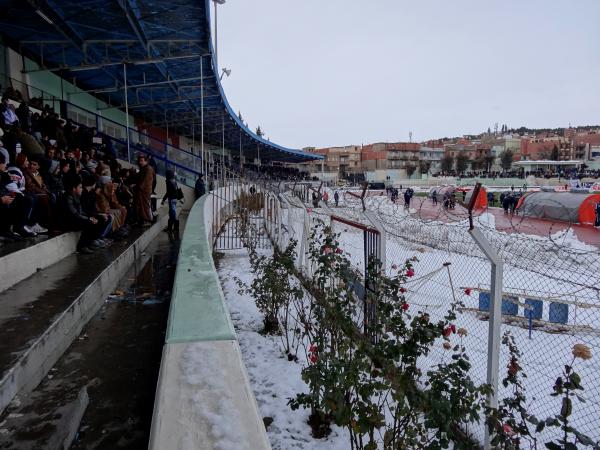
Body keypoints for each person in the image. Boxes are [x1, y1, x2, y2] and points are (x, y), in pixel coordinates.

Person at [134, 153, 155, 227]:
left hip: (144, 191)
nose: (140, 162)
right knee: (141, 206)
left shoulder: (148, 169)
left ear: (146, 161)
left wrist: (139, 187)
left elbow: (145, 181)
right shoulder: (144, 168)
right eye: (139, 161)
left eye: (142, 161)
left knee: (144, 206)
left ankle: (147, 220)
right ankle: (142, 220)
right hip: (142, 190)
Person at [161, 169, 182, 240]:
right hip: (175, 199)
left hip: (172, 199)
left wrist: (163, 199)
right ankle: (170, 228)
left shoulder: (169, 182)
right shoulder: (174, 181)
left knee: (172, 214)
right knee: (171, 213)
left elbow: (168, 192)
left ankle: (175, 228)